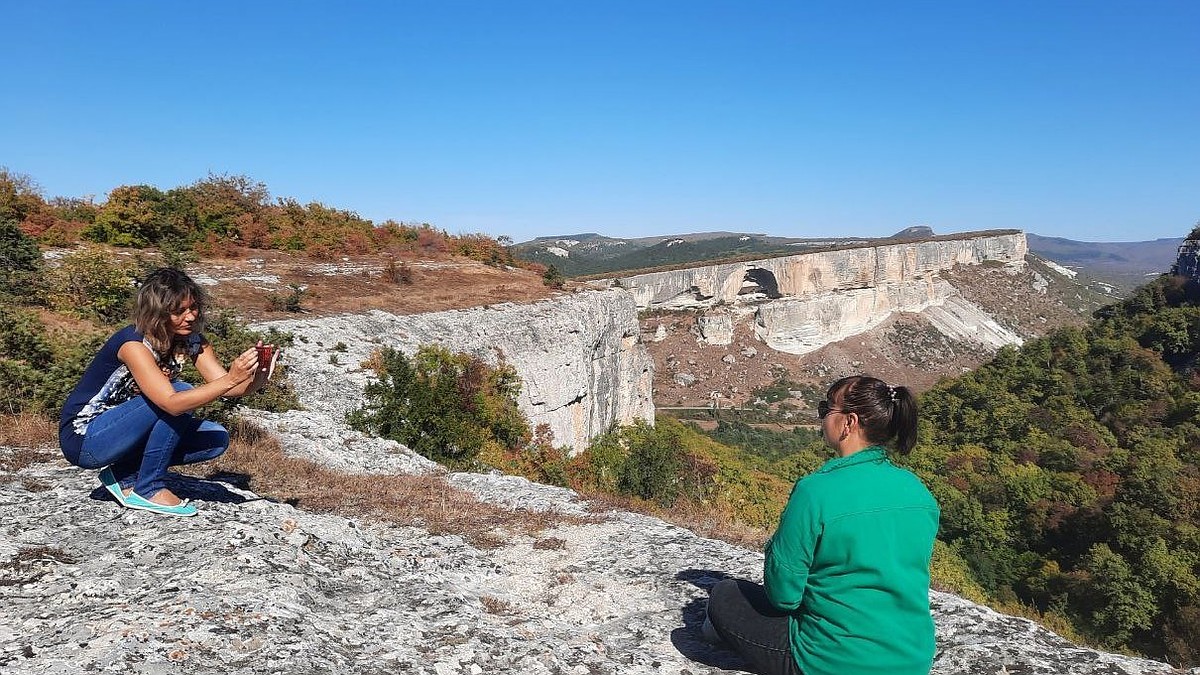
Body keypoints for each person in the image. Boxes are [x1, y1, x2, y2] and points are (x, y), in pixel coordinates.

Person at [704, 375, 940, 675]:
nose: (821, 418)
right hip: (913, 660)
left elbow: (784, 596)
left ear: (849, 422)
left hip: (832, 661)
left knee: (725, 594)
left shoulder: (815, 492)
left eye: (825, 409)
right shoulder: (919, 492)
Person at [59, 267, 271, 517]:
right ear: (157, 312)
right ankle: (147, 488)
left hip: (124, 430)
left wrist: (258, 377)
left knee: (215, 438)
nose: (190, 317)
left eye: (193, 308)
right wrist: (231, 379)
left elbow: (229, 387)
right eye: (178, 311)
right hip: (85, 437)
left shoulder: (191, 340)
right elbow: (171, 403)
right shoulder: (133, 344)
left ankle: (123, 474)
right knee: (180, 392)